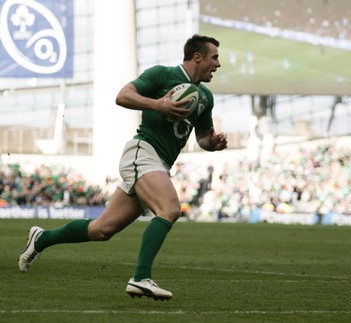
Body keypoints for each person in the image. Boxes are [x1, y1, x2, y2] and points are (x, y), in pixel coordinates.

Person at [18, 34, 227, 301]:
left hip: (158, 162)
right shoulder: (162, 74)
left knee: (101, 230)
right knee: (170, 208)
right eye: (215, 58)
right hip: (143, 151)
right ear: (198, 57)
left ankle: (41, 239)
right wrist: (158, 104)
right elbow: (123, 95)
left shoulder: (205, 97)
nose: (218, 64)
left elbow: (202, 138)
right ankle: (140, 277)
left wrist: (214, 142)